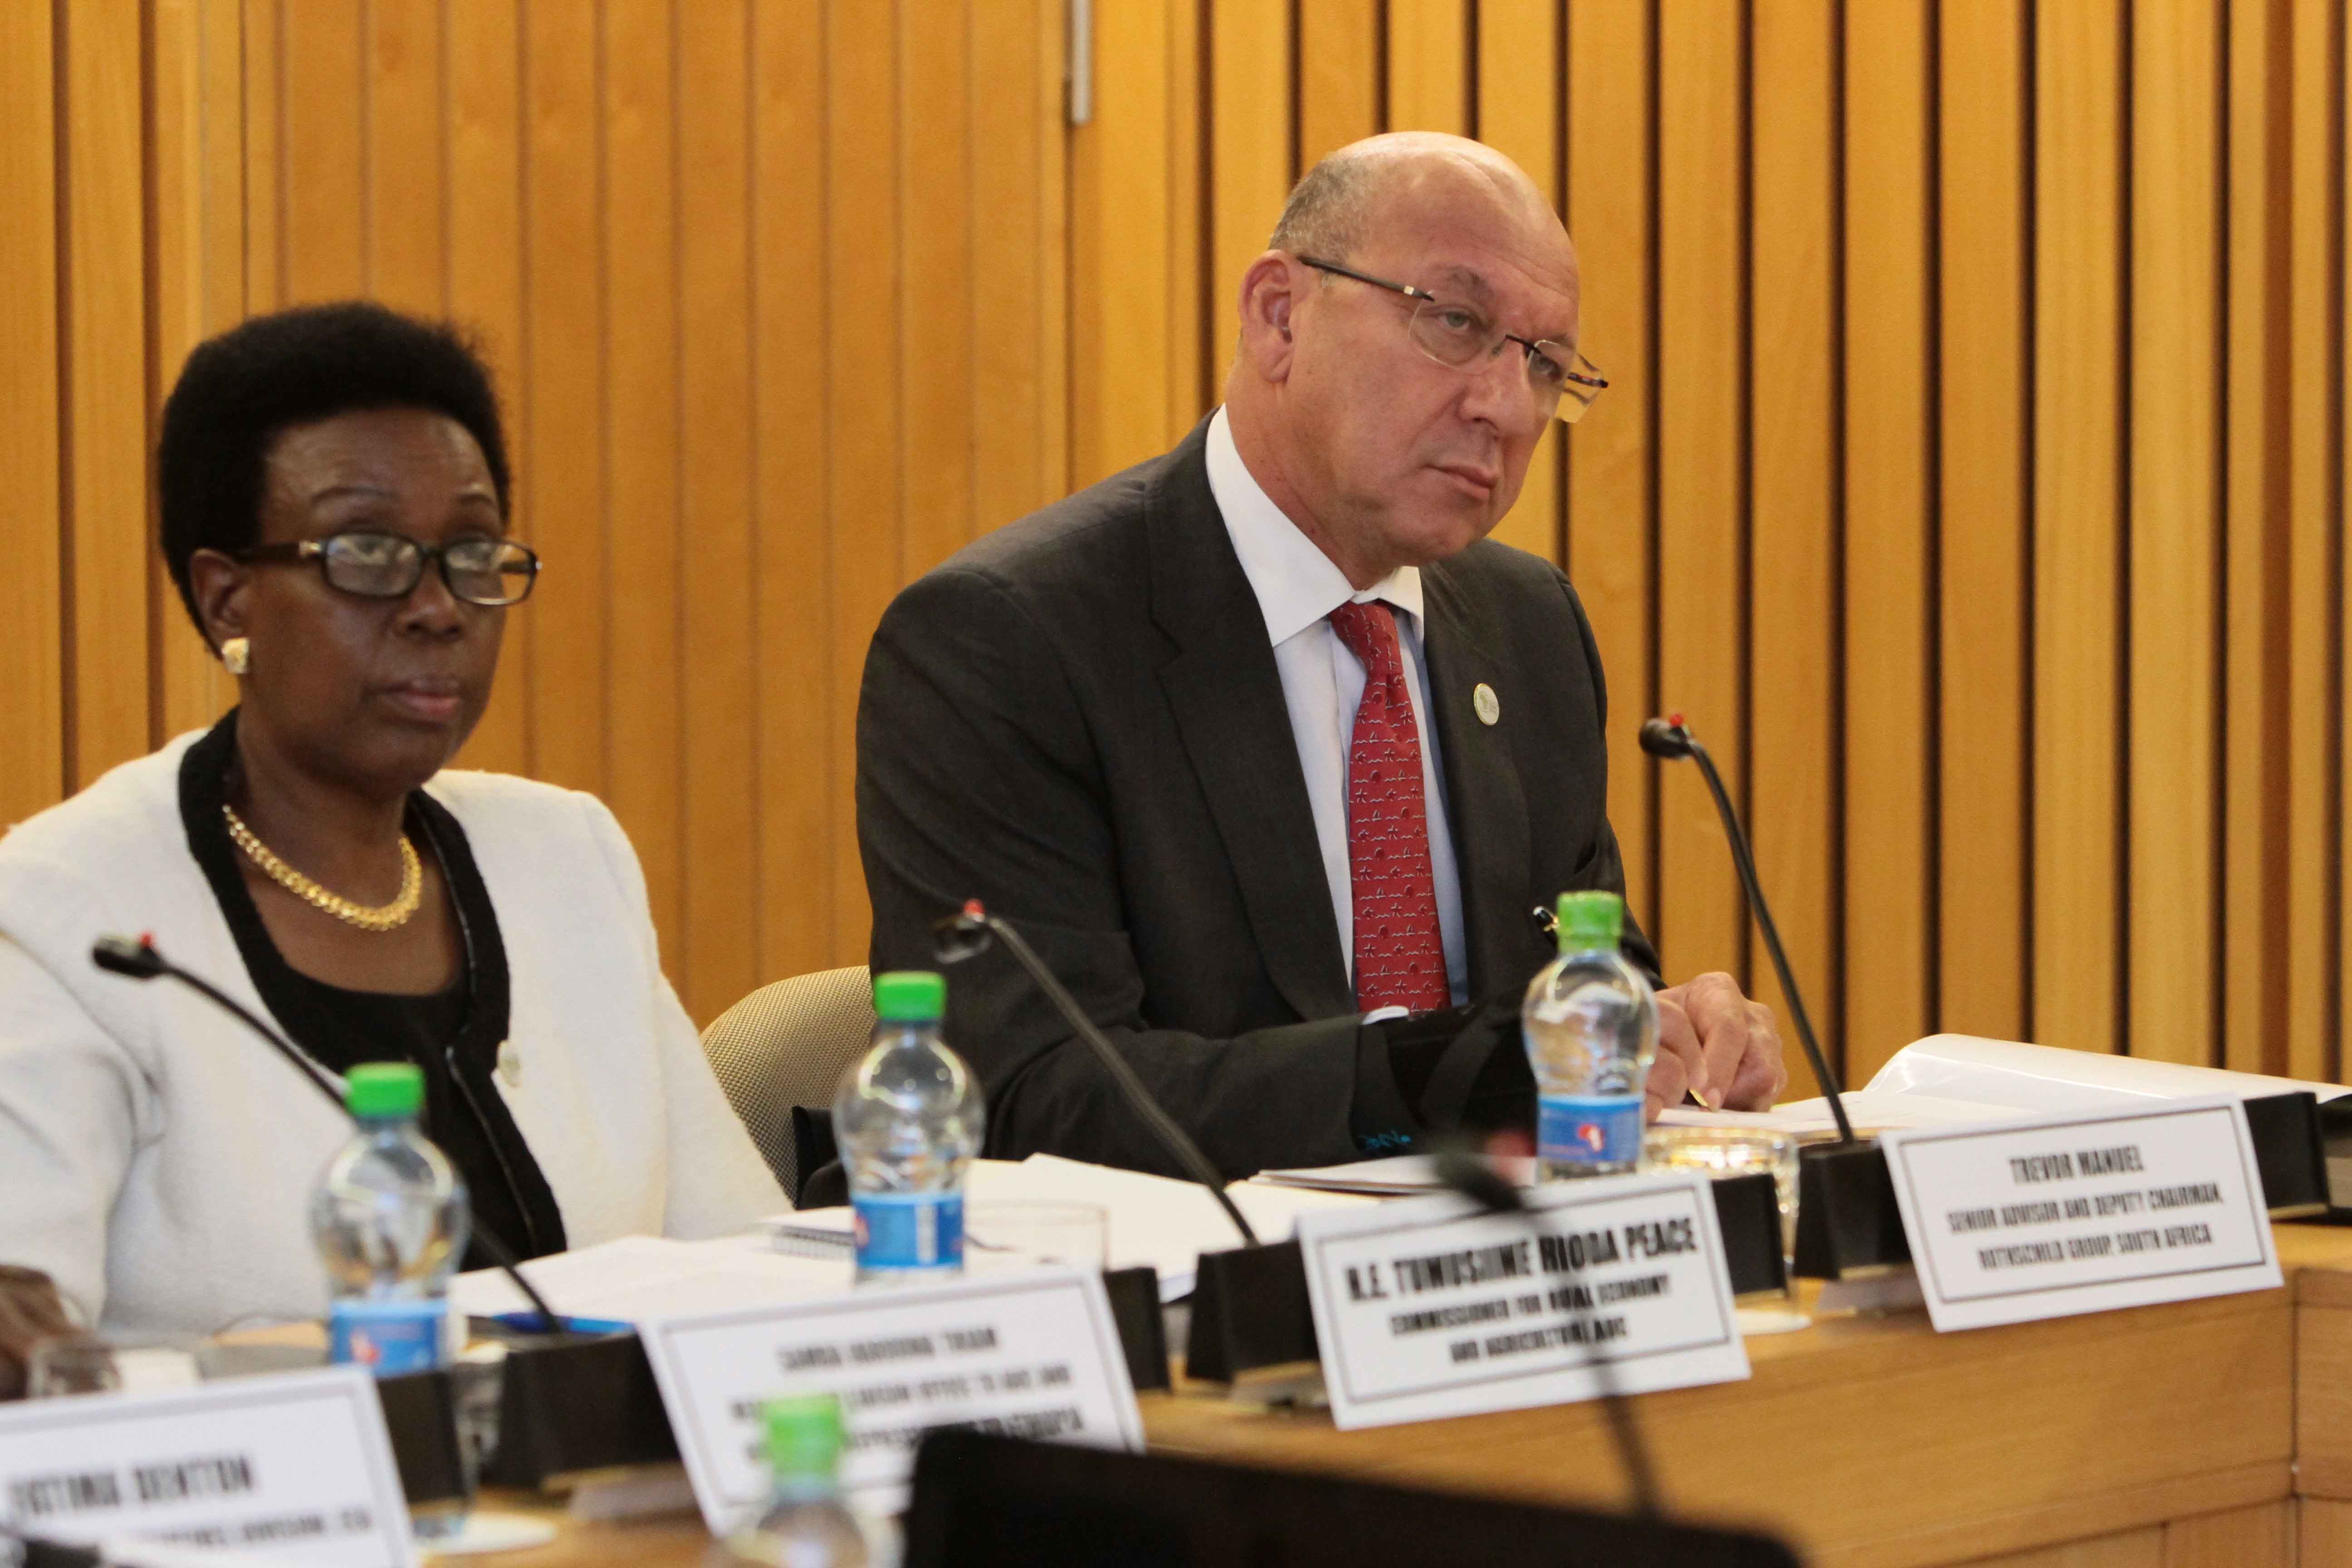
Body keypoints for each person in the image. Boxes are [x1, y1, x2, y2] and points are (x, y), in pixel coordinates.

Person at [858, 133, 1788, 1180]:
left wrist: (1663, 1032)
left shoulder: (1528, 628)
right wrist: (1431, 1073)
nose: (1504, 407)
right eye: (1455, 322)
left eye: (1543, 364)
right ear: (1279, 316)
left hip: (1506, 1276)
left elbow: (1571, 986)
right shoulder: (1010, 641)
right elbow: (1032, 1094)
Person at [0, 302, 780, 1371]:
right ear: (227, 598)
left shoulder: (566, 858)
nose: (436, 608)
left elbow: (742, 1267)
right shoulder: (68, 910)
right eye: (368, 553)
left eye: (469, 552)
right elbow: (27, 1343)